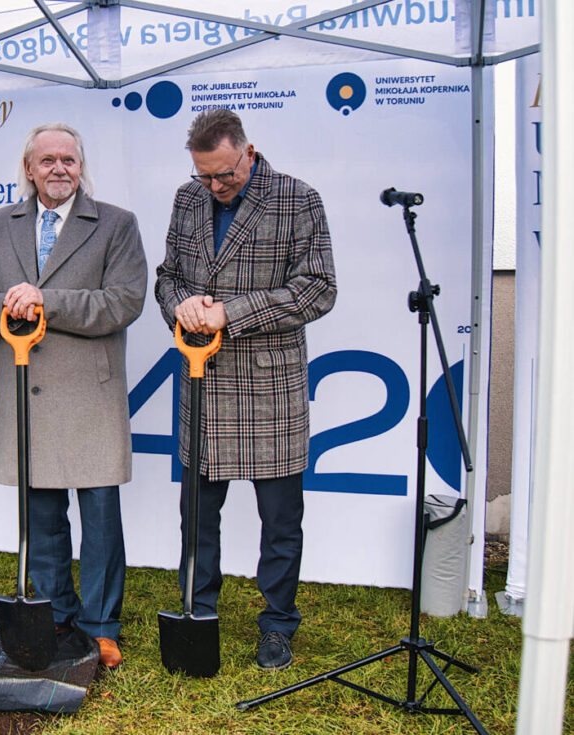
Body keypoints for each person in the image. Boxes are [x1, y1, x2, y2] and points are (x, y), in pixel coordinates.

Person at [154, 109, 336, 670]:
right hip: (201, 379)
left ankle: (278, 623)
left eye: (224, 175)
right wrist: (179, 305)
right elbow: (167, 276)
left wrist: (230, 312)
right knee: (197, 516)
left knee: (280, 522)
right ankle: (196, 609)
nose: (213, 186)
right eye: (204, 175)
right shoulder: (188, 200)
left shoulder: (297, 198)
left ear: (248, 153)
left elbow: (318, 290)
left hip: (269, 389)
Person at [0, 122, 147, 668]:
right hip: (25, 391)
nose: (60, 168)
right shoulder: (0, 226)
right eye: (48, 161)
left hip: (89, 395)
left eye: (69, 159)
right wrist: (7, 307)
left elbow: (124, 301)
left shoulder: (116, 224)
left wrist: (44, 302)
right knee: (40, 517)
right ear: (29, 169)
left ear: (81, 167)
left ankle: (101, 624)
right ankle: (56, 611)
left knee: (100, 520)